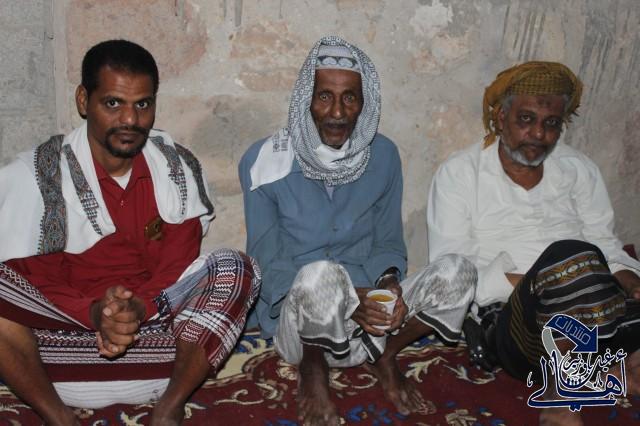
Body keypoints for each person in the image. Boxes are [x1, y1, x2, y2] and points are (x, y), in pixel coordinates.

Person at [0, 39, 260, 426]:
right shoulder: (38, 175)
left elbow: (176, 269)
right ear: (83, 101)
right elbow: (37, 281)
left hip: (157, 349)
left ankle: (169, 409)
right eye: (113, 103)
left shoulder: (175, 169)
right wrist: (96, 314)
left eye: (142, 104)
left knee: (237, 267)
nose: (130, 120)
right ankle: (58, 418)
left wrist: (138, 309)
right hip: (60, 355)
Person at [239, 36, 477, 425]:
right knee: (319, 274)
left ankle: (386, 356)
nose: (337, 112)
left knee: (459, 270)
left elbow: (388, 240)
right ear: (305, 99)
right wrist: (352, 298)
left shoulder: (383, 156)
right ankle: (313, 371)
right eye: (324, 97)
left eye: (350, 98)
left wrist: (388, 286)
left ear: (365, 103)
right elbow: (268, 261)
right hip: (301, 324)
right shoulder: (264, 161)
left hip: (371, 323)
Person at [427, 61, 640, 426]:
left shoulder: (579, 169)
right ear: (500, 117)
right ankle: (562, 391)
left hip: (593, 303)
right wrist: (545, 283)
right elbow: (453, 272)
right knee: (569, 257)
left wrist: (629, 279)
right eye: (526, 119)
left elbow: (606, 244)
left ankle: (615, 371)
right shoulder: (460, 174)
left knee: (587, 270)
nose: (539, 134)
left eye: (551, 123)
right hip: (519, 326)